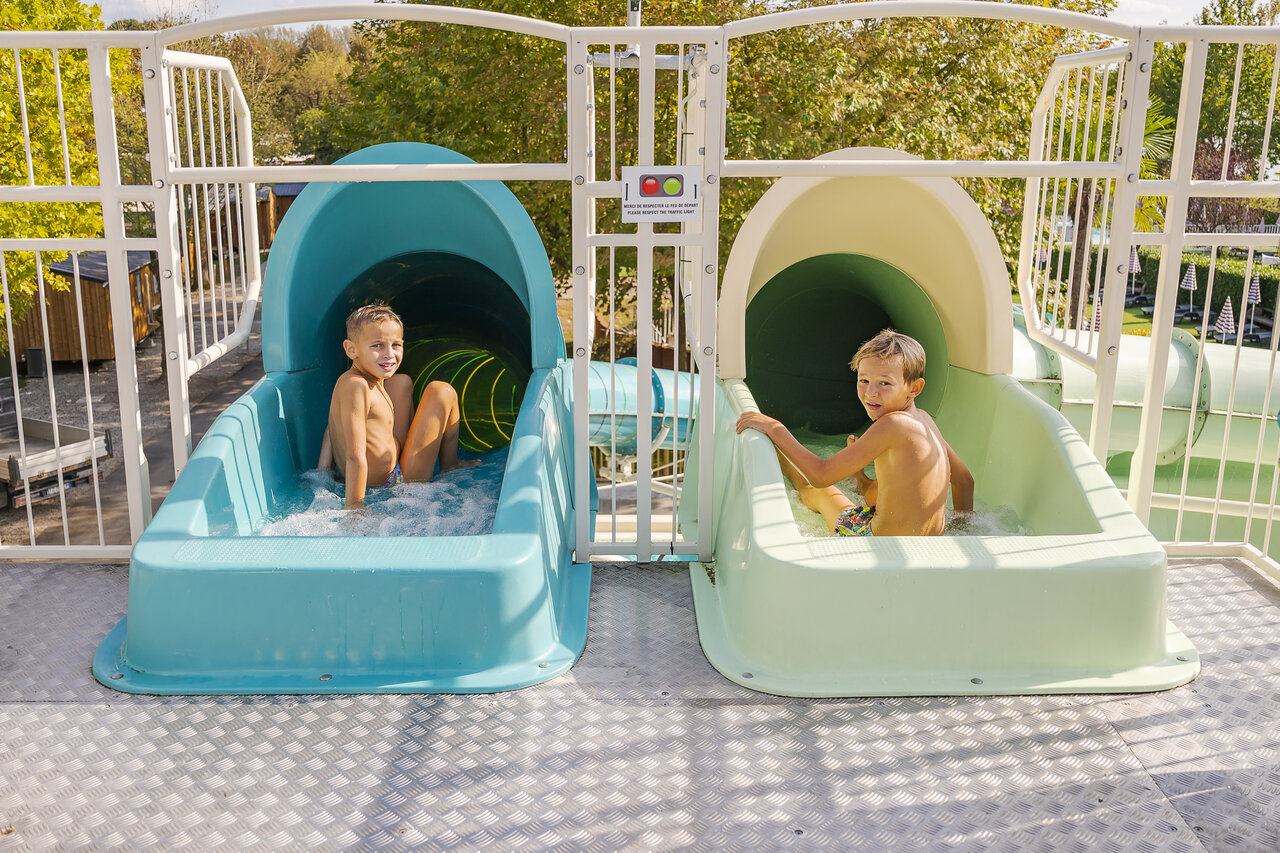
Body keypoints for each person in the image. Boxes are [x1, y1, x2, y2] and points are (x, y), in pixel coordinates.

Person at [736, 329, 973, 536]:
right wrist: (961, 530)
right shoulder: (925, 422)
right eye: (864, 380)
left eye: (885, 383)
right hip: (928, 543)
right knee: (875, 495)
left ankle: (779, 456)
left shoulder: (893, 424)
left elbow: (820, 475)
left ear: (914, 388)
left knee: (821, 492)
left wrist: (775, 428)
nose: (871, 392)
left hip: (874, 543)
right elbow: (965, 481)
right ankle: (861, 480)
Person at [318, 303, 475, 510]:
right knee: (441, 391)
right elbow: (354, 455)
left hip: (387, 464)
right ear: (351, 349)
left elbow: (333, 426)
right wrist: (355, 508)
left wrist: (322, 472)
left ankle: (438, 460)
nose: (389, 354)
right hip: (394, 480)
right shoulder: (356, 386)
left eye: (396, 345)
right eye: (377, 346)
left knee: (402, 382)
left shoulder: (356, 381)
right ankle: (449, 463)